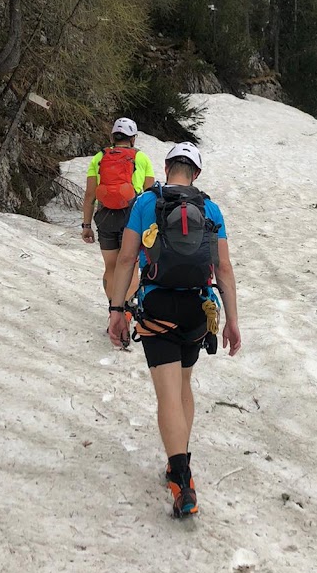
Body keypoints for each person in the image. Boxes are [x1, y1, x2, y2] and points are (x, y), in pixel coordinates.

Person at [108, 142, 241, 518]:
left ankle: (181, 476)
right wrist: (232, 321)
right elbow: (225, 269)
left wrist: (117, 309)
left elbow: (128, 259)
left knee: (167, 393)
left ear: (167, 168)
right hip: (199, 310)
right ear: (196, 173)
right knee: (183, 385)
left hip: (157, 309)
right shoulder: (210, 208)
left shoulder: (146, 203)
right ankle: (179, 461)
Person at [81, 118, 155, 308]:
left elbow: (90, 195)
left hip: (105, 217)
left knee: (111, 267)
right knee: (129, 266)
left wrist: (87, 226)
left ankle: (113, 307)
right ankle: (126, 310)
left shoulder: (98, 158)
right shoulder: (141, 158)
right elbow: (150, 196)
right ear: (133, 139)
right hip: (131, 218)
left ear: (113, 136)